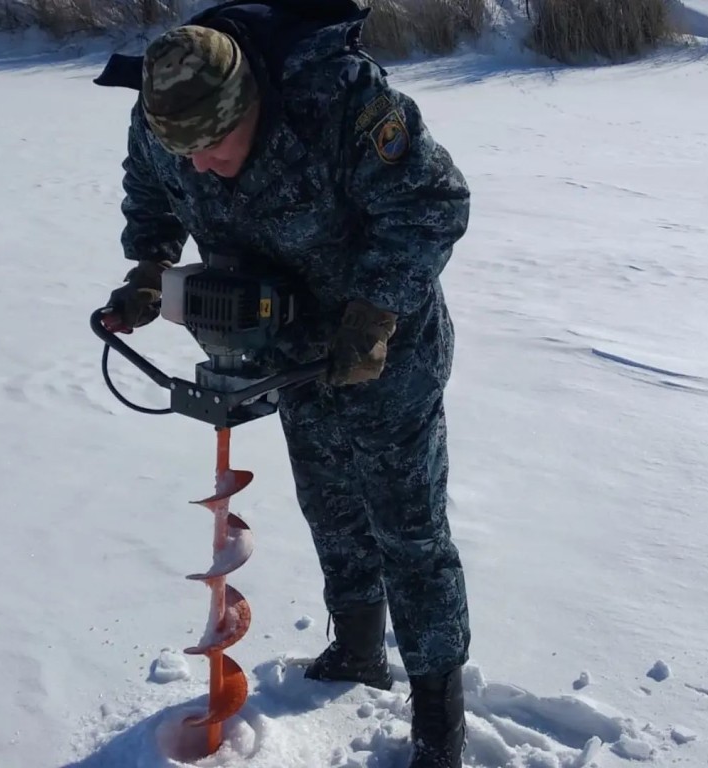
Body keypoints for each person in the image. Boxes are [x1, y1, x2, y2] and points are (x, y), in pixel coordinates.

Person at [94, 1, 471, 765]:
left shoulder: (341, 102)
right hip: (284, 342)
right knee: (329, 499)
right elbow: (152, 189)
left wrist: (370, 317)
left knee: (408, 527)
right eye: (185, 152)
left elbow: (432, 205)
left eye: (216, 147)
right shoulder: (166, 115)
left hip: (385, 343)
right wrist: (148, 271)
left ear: (252, 105)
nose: (200, 164)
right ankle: (358, 649)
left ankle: (438, 708)